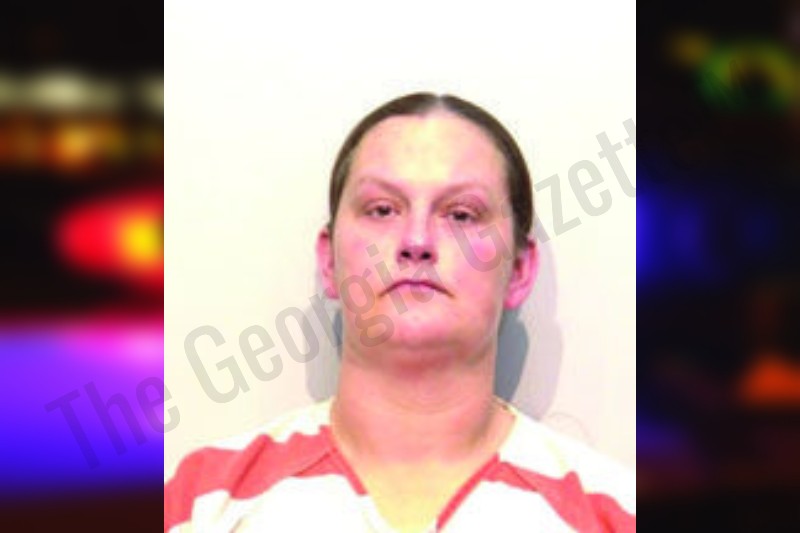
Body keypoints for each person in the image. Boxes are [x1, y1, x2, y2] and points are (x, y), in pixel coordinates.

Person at [164, 93, 635, 532]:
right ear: (328, 261)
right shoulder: (200, 501)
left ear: (519, 270)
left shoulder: (613, 512)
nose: (416, 241)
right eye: (382, 209)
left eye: (462, 214)